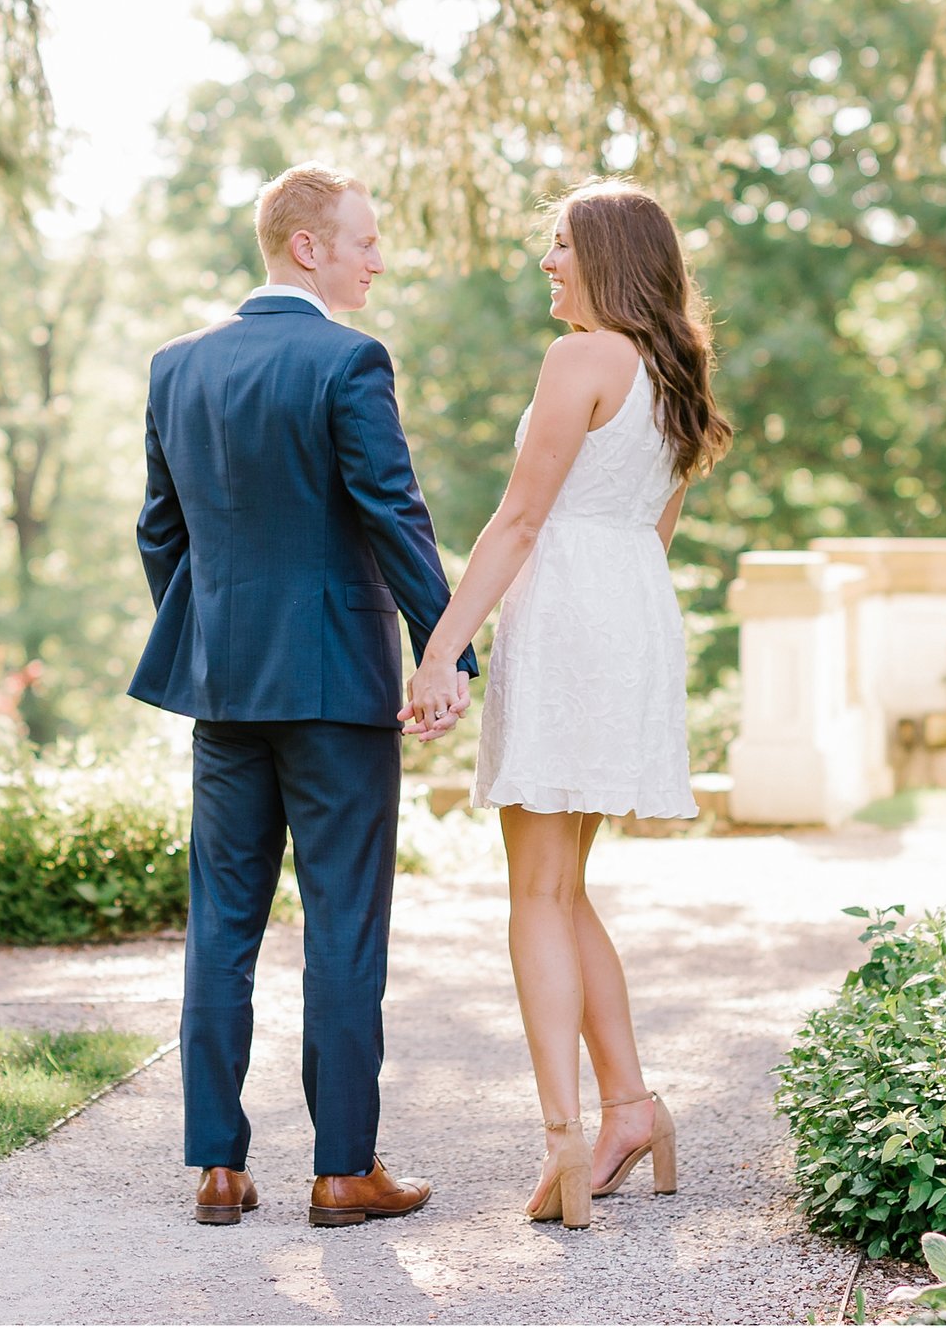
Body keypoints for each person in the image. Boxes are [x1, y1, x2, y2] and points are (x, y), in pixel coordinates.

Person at [129, 162, 477, 1229]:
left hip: (224, 692)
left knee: (221, 923)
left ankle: (218, 1167)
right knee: (343, 925)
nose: (378, 256)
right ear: (306, 246)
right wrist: (446, 649)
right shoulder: (348, 359)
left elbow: (159, 531)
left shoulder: (176, 366)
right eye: (365, 239)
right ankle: (341, 1169)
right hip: (333, 689)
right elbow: (392, 514)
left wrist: (212, 634)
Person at [406, 177, 731, 1230]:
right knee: (567, 885)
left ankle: (562, 1140)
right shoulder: (676, 375)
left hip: (567, 619)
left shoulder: (579, 357)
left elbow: (516, 521)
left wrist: (440, 655)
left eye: (559, 246)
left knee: (536, 894)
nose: (545, 264)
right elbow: (654, 528)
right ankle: (629, 1108)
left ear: (607, 258)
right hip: (633, 616)